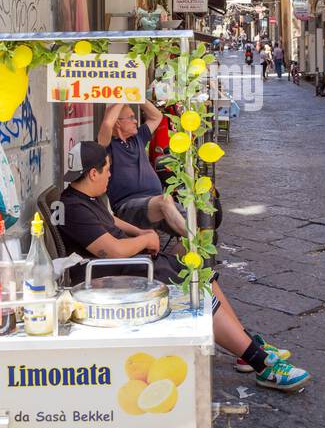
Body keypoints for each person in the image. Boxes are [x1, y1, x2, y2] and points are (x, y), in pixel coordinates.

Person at [60, 142, 311, 391]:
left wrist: (140, 231)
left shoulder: (85, 197)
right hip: (116, 276)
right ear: (93, 173)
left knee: (201, 274)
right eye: (107, 169)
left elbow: (110, 220)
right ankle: (261, 364)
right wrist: (146, 239)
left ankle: (245, 346)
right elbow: (112, 251)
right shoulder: (73, 208)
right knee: (194, 286)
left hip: (130, 267)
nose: (110, 174)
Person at [99, 99, 187, 238]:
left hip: (156, 203)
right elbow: (107, 124)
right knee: (165, 201)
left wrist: (137, 95)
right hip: (128, 207)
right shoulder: (108, 146)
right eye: (131, 118)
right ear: (118, 123)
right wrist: (121, 97)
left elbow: (156, 116)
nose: (136, 121)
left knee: (199, 227)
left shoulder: (138, 138)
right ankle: (197, 245)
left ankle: (173, 258)